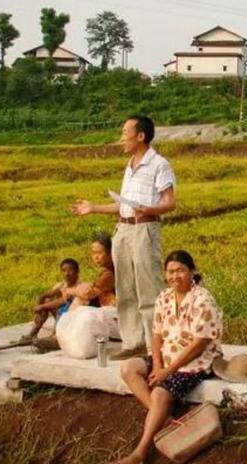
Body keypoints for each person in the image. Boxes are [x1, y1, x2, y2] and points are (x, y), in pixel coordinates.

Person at [71, 115, 176, 361]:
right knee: (126, 289)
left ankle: (155, 347)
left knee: (148, 289)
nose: (121, 138)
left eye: (125, 132)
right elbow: (122, 206)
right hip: (124, 229)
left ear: (140, 136)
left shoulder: (159, 164)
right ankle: (133, 342)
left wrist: (148, 209)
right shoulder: (129, 165)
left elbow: (170, 202)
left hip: (144, 229)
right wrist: (93, 207)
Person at [115, 251, 222, 464]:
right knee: (129, 369)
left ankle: (140, 451)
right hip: (166, 356)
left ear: (192, 271)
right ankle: (165, 419)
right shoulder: (164, 296)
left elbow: (199, 344)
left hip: (196, 362)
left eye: (181, 270)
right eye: (170, 271)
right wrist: (157, 365)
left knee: (159, 393)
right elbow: (156, 334)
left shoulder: (202, 299)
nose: (175, 276)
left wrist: (168, 371)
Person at [34, 233, 117, 353]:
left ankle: (59, 338)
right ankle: (56, 335)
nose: (96, 257)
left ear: (110, 252)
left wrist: (71, 291)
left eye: (99, 253)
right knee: (79, 297)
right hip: (110, 312)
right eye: (93, 253)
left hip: (116, 317)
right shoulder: (105, 271)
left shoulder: (109, 273)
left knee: (81, 299)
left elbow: (88, 295)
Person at [19, 258, 81, 344]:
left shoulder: (80, 287)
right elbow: (43, 296)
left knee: (47, 304)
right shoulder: (63, 285)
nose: (67, 274)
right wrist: (38, 312)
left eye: (70, 270)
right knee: (47, 300)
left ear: (77, 272)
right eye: (64, 271)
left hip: (72, 319)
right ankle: (33, 333)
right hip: (61, 315)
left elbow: (61, 301)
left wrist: (42, 306)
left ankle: (55, 336)